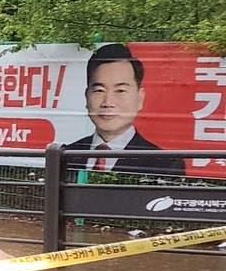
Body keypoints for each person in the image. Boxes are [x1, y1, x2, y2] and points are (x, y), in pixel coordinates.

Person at [69, 44, 184, 175]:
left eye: (120, 91)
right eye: (99, 91)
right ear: (87, 96)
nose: (108, 102)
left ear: (140, 99)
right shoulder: (67, 154)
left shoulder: (165, 163)